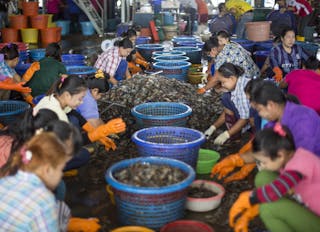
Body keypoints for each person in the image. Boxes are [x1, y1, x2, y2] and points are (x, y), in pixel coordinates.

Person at [211, 81, 320, 183]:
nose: (260, 115)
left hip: (311, 173)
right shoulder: (274, 122)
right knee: (263, 177)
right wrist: (236, 160)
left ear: (271, 105)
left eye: (259, 110)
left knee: (266, 181)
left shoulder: (304, 120)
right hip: (292, 165)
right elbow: (264, 149)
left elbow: (304, 163)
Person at [229, 124, 320, 232]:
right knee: (264, 176)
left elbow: (276, 189)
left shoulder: (302, 162)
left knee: (268, 210)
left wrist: (251, 198)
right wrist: (254, 206)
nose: (262, 165)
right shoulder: (288, 158)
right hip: (307, 206)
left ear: (280, 155)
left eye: (264, 162)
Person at [34, 76, 126, 155]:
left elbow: (76, 115)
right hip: (41, 150)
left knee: (74, 119)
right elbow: (71, 142)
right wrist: (99, 133)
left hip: (45, 135)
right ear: (67, 95)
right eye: (80, 99)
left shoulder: (55, 97)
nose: (81, 102)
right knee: (83, 155)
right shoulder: (58, 114)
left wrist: (99, 136)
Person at [0, 132, 71, 230]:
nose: (61, 174)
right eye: (60, 169)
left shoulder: (4, 181)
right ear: (47, 169)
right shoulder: (44, 202)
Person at [204, 63, 252, 145]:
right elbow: (227, 111)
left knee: (226, 97)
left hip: (261, 119)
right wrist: (213, 127)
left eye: (223, 82)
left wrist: (227, 134)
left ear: (232, 78)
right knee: (226, 97)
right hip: (250, 114)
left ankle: (248, 135)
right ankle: (235, 135)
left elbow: (245, 118)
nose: (222, 85)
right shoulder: (236, 85)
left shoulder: (242, 91)